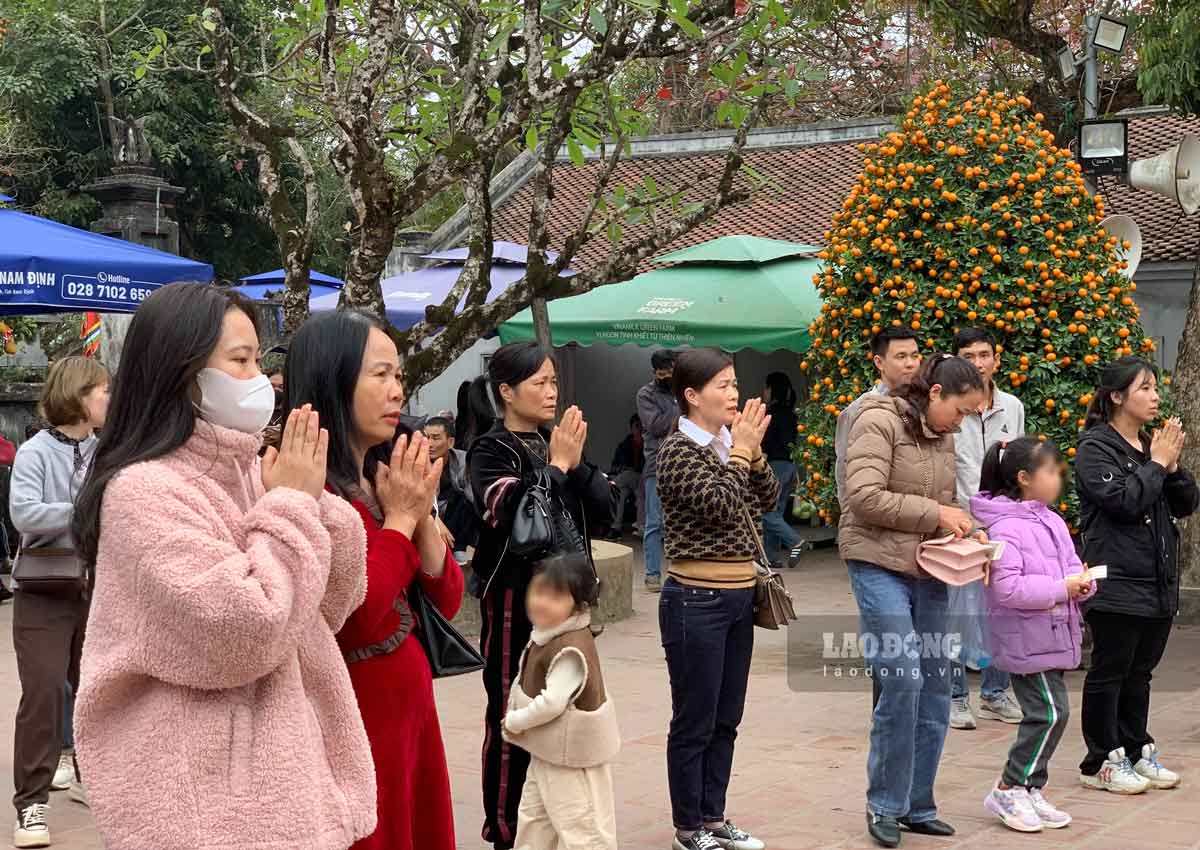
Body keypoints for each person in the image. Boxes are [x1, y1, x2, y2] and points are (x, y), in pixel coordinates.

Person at [70, 284, 377, 850]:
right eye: (240, 360)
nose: (260, 378)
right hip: (209, 803)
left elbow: (326, 610)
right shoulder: (145, 492)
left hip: (286, 778)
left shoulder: (247, 469)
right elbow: (245, 629)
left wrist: (312, 501)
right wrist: (291, 505)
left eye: (260, 359)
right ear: (183, 374)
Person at [285, 310, 463, 850]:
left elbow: (448, 597)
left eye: (399, 378)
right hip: (355, 709)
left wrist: (421, 511)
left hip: (410, 706)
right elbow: (359, 615)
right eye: (379, 375)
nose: (396, 392)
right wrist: (402, 520)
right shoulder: (306, 483)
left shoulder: (383, 474)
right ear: (333, 379)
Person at [467, 342, 615, 850]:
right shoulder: (491, 450)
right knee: (515, 711)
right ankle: (506, 831)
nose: (551, 392)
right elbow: (519, 520)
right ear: (506, 392)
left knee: (568, 711)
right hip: (517, 600)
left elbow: (607, 507)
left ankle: (550, 829)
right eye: (539, 383)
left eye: (554, 382)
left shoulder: (556, 442)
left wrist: (578, 466)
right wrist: (555, 467)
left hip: (569, 604)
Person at [840, 353, 986, 848]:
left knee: (937, 685)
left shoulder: (943, 433)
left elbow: (951, 503)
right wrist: (938, 515)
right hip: (878, 565)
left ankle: (917, 805)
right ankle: (884, 804)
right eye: (961, 411)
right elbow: (863, 497)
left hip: (928, 568)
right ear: (937, 393)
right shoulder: (877, 420)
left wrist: (972, 530)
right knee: (902, 681)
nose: (962, 423)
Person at [655, 348, 779, 850]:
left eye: (734, 384)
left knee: (726, 719)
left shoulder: (732, 442)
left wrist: (749, 448)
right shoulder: (678, 451)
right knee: (695, 719)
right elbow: (721, 505)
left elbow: (768, 500)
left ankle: (713, 816)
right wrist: (742, 452)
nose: (734, 393)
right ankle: (687, 828)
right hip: (694, 600)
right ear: (692, 395)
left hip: (738, 598)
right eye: (723, 386)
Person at [1075, 357, 1198, 793]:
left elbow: (1185, 504)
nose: (1155, 396)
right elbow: (1125, 502)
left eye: (1155, 387)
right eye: (1145, 388)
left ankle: (1133, 750)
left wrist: (1172, 464)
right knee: (1110, 670)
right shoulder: (1095, 448)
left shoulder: (1152, 446)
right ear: (1116, 396)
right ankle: (1101, 761)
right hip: (1117, 581)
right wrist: (1156, 464)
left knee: (1140, 672)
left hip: (1157, 578)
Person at [9, 357, 109, 848]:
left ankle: (98, 779)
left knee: (99, 692)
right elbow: (24, 514)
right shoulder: (33, 452)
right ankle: (31, 805)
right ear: (77, 394)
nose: (109, 399)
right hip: (43, 592)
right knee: (44, 692)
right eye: (102, 390)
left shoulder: (107, 451)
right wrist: (84, 510)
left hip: (96, 590)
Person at [971, 437, 1095, 832]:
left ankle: (1029, 785)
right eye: (1050, 471)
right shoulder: (1006, 528)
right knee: (1049, 713)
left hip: (1053, 633)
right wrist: (1063, 588)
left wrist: (1084, 582)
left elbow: (1072, 565)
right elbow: (1007, 590)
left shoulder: (1053, 520)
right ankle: (1008, 786)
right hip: (1025, 637)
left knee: (1054, 714)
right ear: (1024, 478)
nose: (1058, 478)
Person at [502, 553, 619, 850]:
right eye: (539, 591)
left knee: (582, 830)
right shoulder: (550, 636)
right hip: (547, 753)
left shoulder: (569, 648)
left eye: (555, 596)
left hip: (571, 760)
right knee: (534, 823)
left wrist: (517, 720)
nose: (542, 602)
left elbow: (552, 703)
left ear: (578, 605)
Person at [948, 328, 1026, 730]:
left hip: (1003, 525)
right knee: (955, 613)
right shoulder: (947, 406)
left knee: (1003, 608)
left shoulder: (1012, 407)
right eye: (969, 355)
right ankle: (955, 695)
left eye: (985, 354)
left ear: (997, 359)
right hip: (957, 524)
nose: (978, 363)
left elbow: (1019, 465)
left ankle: (996, 692)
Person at [834, 328, 921, 507]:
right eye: (901, 357)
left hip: (919, 514)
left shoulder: (926, 405)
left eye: (914, 355)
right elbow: (844, 472)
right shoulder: (859, 410)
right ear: (879, 362)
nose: (910, 363)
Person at [637, 349, 678, 592]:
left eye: (671, 372)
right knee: (654, 522)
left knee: (678, 520)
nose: (668, 377)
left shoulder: (684, 391)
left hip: (682, 464)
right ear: (655, 373)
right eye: (664, 373)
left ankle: (678, 572)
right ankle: (652, 575)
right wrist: (677, 403)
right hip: (656, 464)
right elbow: (655, 426)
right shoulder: (646, 394)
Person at [760, 371, 804, 568]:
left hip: (775, 466)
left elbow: (766, 446)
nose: (764, 391)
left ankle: (795, 541)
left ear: (772, 389)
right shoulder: (791, 414)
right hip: (789, 465)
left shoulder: (771, 415)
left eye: (766, 387)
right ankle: (771, 557)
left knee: (766, 513)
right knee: (776, 511)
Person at [424, 414, 479, 562]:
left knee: (465, 499)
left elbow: (473, 497)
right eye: (426, 437)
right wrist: (435, 520)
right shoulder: (419, 461)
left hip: (454, 517)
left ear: (450, 442)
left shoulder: (463, 460)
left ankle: (459, 548)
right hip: (428, 516)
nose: (429, 444)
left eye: (435, 438)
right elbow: (421, 500)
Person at [607, 414, 644, 539]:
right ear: (632, 428)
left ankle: (612, 485)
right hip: (627, 481)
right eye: (637, 426)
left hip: (643, 479)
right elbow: (615, 466)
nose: (640, 429)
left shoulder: (649, 444)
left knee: (628, 480)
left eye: (642, 426)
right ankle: (616, 528)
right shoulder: (625, 445)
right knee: (620, 493)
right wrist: (624, 468)